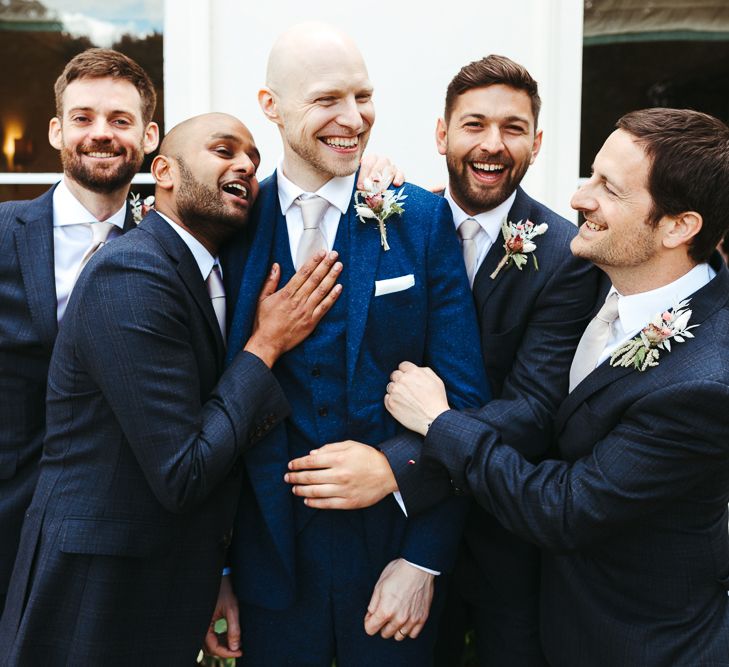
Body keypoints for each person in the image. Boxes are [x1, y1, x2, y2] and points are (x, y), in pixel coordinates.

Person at [285, 54, 599, 666]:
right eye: (474, 125)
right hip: (388, 538)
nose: (492, 144)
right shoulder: (396, 217)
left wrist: (399, 465)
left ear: (536, 143)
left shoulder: (566, 256)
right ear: (441, 135)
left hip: (498, 541)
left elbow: (534, 409)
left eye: (513, 128)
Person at [385, 108, 729, 665]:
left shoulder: (704, 384)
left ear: (678, 226)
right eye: (590, 175)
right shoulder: (605, 271)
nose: (579, 199)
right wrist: (416, 210)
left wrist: (438, 422)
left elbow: (565, 507)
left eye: (609, 190)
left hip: (637, 642)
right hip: (541, 616)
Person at [0, 112, 343, 665]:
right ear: (164, 171)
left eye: (254, 160)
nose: (246, 166)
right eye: (223, 149)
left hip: (167, 579)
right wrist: (267, 345)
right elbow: (184, 470)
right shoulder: (131, 274)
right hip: (96, 588)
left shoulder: (207, 270)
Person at [217, 22, 488, 666]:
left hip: (393, 553)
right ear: (270, 106)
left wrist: (424, 559)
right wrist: (219, 572)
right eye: (326, 99)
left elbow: (467, 399)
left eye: (363, 96)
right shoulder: (230, 223)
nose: (353, 118)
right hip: (266, 568)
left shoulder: (419, 217)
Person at [0, 47, 160, 614]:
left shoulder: (171, 247)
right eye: (83, 117)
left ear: (149, 137)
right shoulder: (2, 234)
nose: (101, 134)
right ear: (55, 130)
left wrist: (373, 176)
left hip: (119, 540)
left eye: (120, 121)